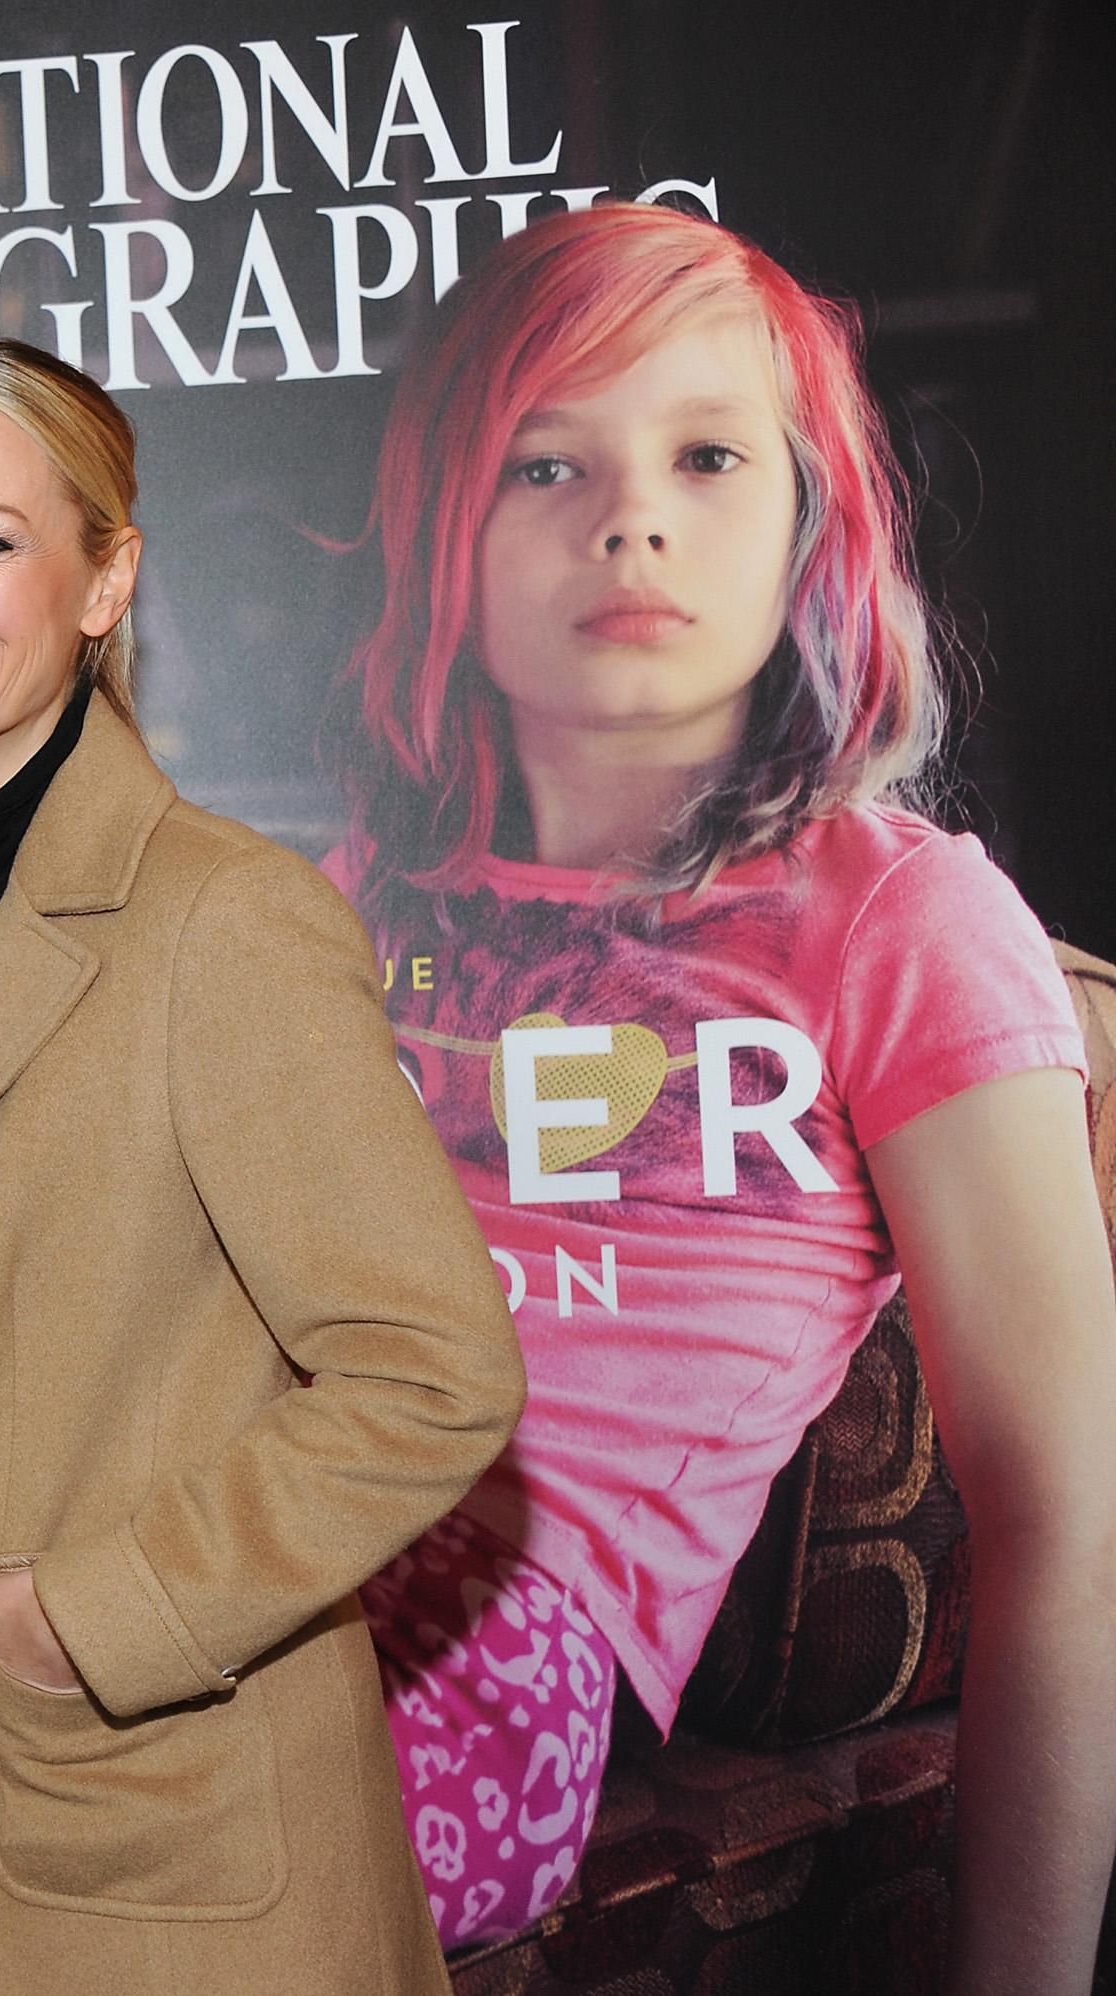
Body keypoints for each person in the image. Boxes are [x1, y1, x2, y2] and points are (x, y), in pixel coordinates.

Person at [330, 203, 1116, 1988]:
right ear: (444, 532)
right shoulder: (344, 899)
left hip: (501, 1629)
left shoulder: (894, 918)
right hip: (229, 1520)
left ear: (807, 529)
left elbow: (1070, 1517)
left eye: (706, 453)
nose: (632, 515)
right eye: (547, 463)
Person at [0, 335, 526, 1996]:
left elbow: (434, 1371)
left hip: (138, 1856)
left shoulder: (223, 920)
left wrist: (105, 1613)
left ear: (107, 579)